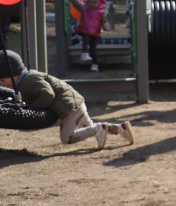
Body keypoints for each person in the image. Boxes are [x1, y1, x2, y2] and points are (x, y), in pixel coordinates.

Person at [0, 50, 133, 148]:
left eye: (3, 79)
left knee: (67, 138)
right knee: (89, 128)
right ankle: (121, 128)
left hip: (69, 109)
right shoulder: (28, 78)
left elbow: (47, 94)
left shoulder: (28, 81)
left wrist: (33, 109)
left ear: (13, 74)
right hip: (75, 102)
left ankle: (100, 128)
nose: (2, 83)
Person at [69, 0, 108, 72]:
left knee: (93, 49)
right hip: (85, 30)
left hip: (94, 32)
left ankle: (95, 64)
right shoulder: (84, 8)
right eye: (90, 2)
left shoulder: (101, 11)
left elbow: (104, 20)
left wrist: (105, 26)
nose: (92, 4)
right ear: (87, 2)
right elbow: (76, 3)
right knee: (86, 40)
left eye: (94, 2)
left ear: (98, 2)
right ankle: (84, 53)